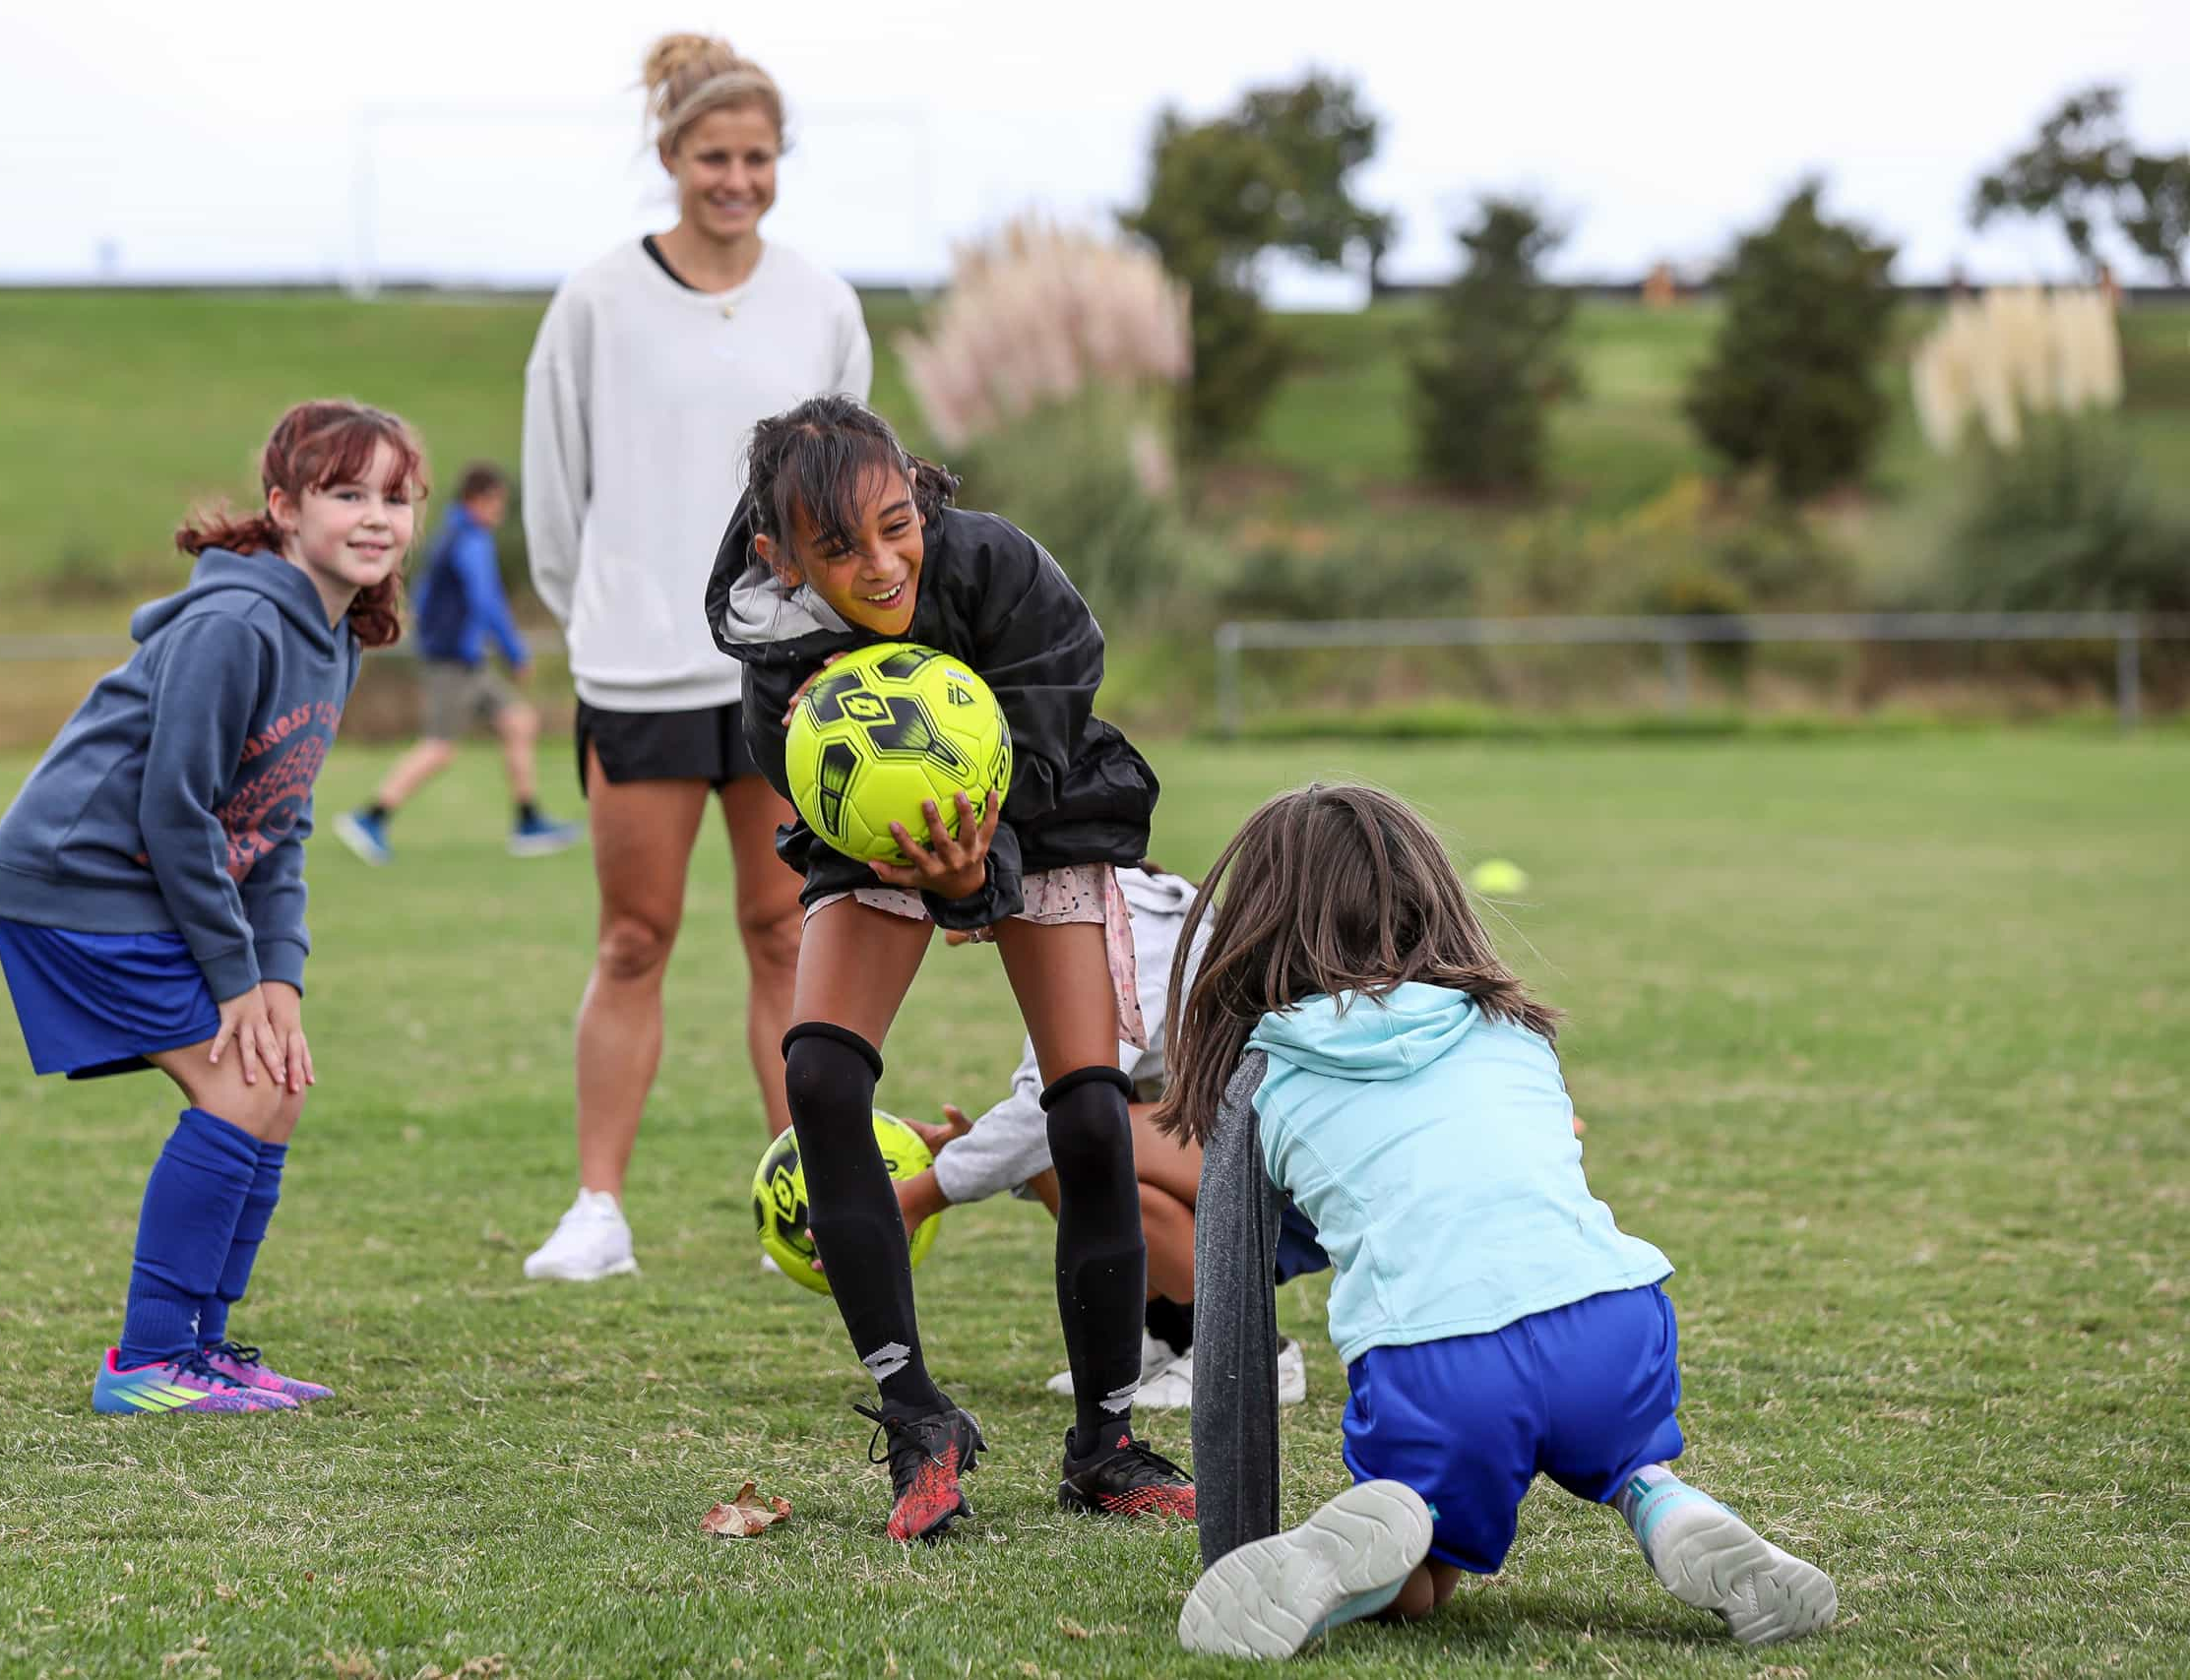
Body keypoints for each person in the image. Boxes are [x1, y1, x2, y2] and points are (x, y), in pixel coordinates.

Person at [1163, 783, 1838, 1657]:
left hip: (1442, 1365)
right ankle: (1668, 1505)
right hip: (1615, 1323)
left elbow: (1232, 1333)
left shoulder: (1266, 1077)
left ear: (1254, 920)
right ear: (1430, 893)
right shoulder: (1513, 1027)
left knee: (1421, 1582)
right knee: (1620, 1458)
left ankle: (1375, 1537)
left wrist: (1236, 1546)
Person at [707, 393, 1191, 1542]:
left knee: (1086, 1111)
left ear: (917, 494)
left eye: (894, 525)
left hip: (1046, 796)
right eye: (837, 549)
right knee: (819, 1081)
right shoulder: (773, 653)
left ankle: (1106, 1444)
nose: (879, 565)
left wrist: (985, 867)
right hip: (883, 833)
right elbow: (812, 782)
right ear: (778, 554)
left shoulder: (1004, 570)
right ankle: (915, 1413)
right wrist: (933, 869)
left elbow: (1054, 712)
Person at [0, 401, 424, 1415]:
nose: (375, 516)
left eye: (395, 497)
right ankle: (146, 1365)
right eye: (345, 492)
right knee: (239, 1091)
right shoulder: (235, 625)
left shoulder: (334, 635)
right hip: (79, 878)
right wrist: (234, 983)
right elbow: (176, 813)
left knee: (274, 1084)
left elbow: (279, 826)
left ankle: (201, 1350)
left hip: (143, 881)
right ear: (283, 507)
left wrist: (279, 980)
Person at [519, 32, 873, 1282]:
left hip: (785, 677)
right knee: (633, 937)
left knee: (787, 934)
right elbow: (555, 500)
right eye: (713, 156)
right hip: (638, 670)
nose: (736, 179)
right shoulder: (597, 301)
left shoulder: (822, 301)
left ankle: (816, 1204)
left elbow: (857, 493)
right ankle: (597, 1211)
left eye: (758, 157)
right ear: (669, 157)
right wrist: (604, 616)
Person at [886, 863, 1317, 1410]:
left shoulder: (1121, 922)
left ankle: (1253, 1357)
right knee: (1058, 1144)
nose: (942, 931)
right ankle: (1172, 1337)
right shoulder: (1084, 898)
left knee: (1072, 1131)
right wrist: (979, 1149)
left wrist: (922, 1195)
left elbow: (1057, 1104)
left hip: (1310, 1154)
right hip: (1259, 1139)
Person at [335, 461, 580, 864]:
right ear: (479, 500)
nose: (500, 512)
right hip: (451, 660)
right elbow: (487, 600)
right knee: (440, 747)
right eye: (497, 503)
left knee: (519, 721)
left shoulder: (455, 533)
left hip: (466, 659)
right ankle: (370, 818)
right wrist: (514, 651)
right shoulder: (469, 539)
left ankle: (528, 821)